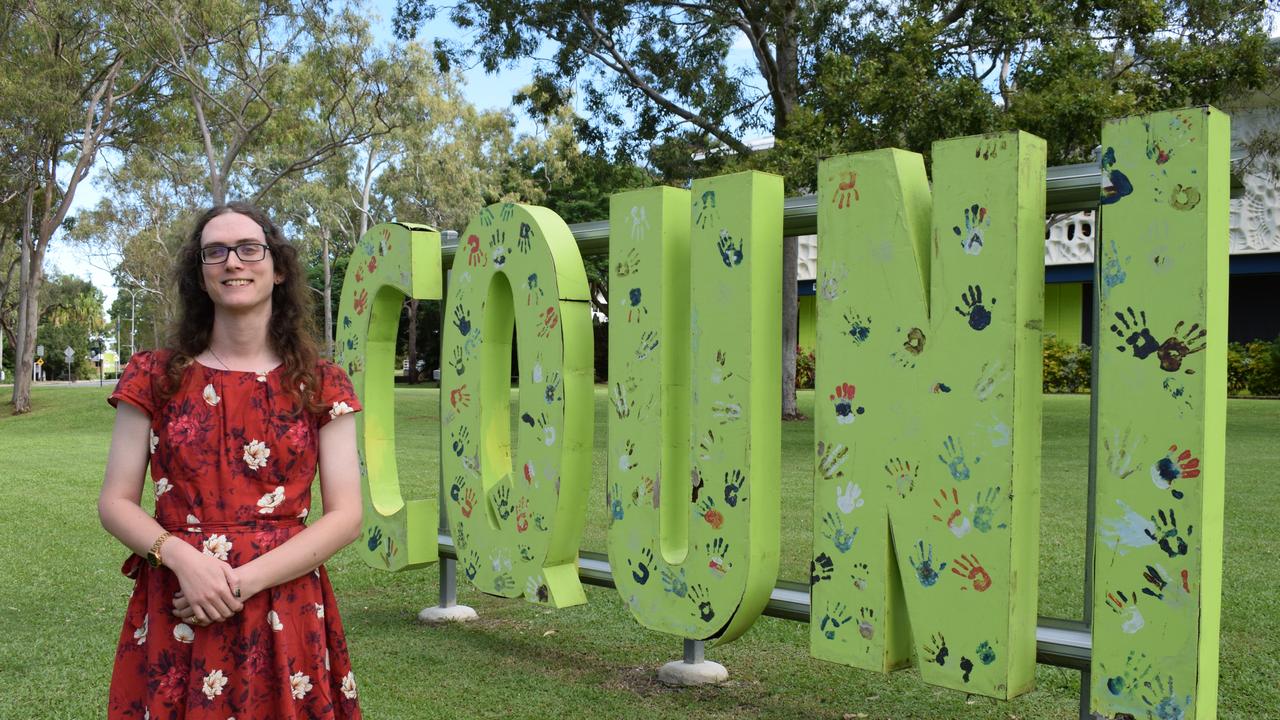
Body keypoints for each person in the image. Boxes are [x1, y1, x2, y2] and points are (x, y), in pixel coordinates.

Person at [98, 202, 364, 718]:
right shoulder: (153, 375)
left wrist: (237, 583)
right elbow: (114, 502)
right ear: (200, 275)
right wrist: (185, 563)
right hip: (177, 597)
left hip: (284, 602)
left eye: (248, 248)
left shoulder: (321, 383)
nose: (232, 262)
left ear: (278, 267)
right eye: (214, 252)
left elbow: (347, 516)